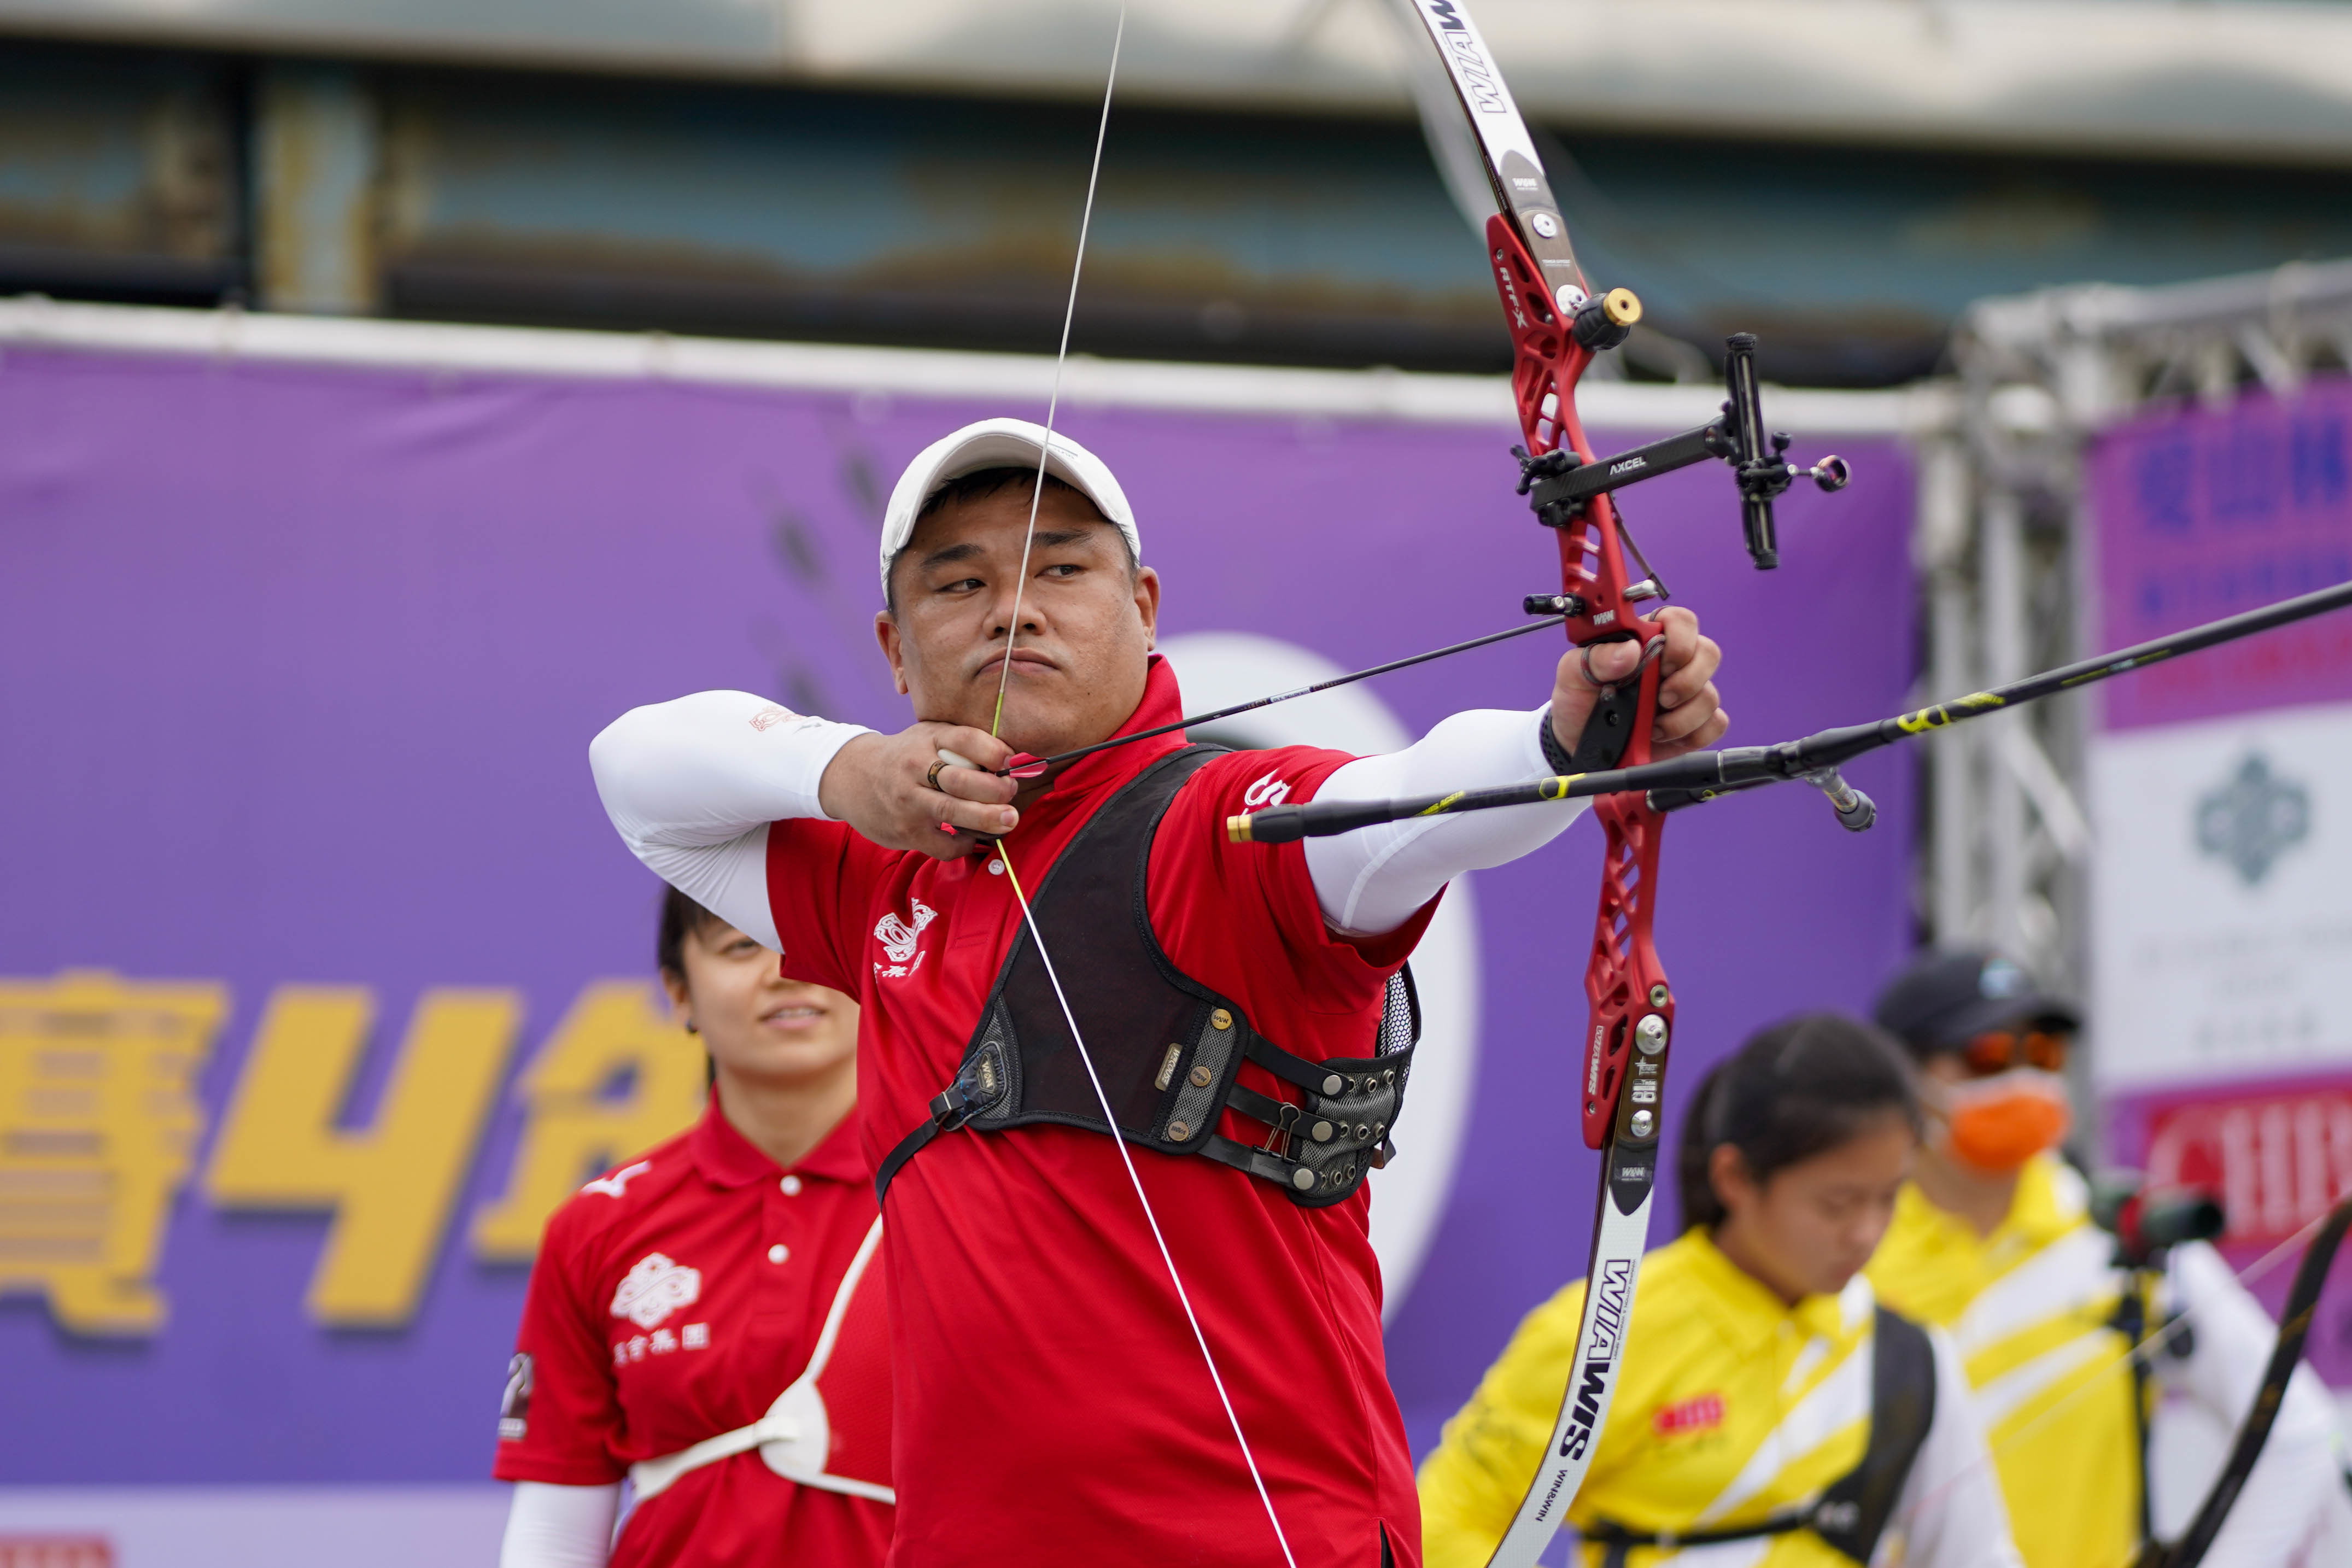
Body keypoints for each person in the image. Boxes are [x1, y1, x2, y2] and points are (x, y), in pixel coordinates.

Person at [587, 417, 1731, 1565]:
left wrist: (1559, 744)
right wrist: (844, 772)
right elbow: (633, 770)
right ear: (895, 647)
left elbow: (1409, 805)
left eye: (1062, 570)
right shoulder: (884, 876)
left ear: (1143, 603)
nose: (1011, 609)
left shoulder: (1221, 824)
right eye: (961, 582)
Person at [1418, 1013, 2022, 1568]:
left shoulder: (1911, 1358)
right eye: (1837, 1203)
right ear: (1735, 1177)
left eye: (1890, 1197)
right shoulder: (1603, 1334)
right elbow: (1442, 1525)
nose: (1866, 1232)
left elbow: (1976, 1556)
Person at [1864, 948, 2346, 1568]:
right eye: (1986, 1057)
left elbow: (2301, 1437)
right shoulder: (1851, 1254)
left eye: (2043, 1054)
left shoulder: (2123, 1236)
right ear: (1903, 1078)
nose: (2021, 1080)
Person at [492, 888, 891, 1568]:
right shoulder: (599, 1225)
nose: (785, 969)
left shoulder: (965, 1193)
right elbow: (557, 1525)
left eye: (817, 939)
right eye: (742, 945)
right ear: (679, 993)